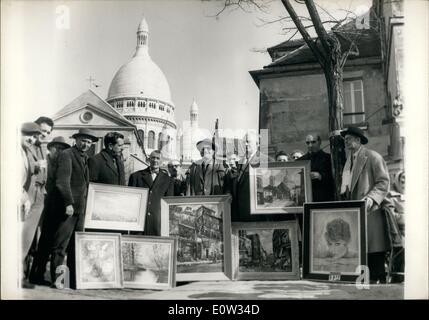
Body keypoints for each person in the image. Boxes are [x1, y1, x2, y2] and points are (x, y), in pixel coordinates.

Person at [340, 126, 390, 283]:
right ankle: (366, 284)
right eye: (345, 139)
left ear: (358, 140)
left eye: (349, 139)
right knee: (362, 249)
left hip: (370, 211)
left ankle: (380, 282)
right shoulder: (349, 161)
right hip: (355, 212)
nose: (346, 142)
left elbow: (383, 182)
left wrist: (371, 198)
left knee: (374, 248)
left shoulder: (372, 157)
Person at [49, 128, 98, 288]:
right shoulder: (67, 154)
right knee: (60, 245)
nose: (86, 144)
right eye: (83, 140)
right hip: (69, 209)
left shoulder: (85, 158)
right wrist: (68, 203)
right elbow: (62, 182)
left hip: (81, 210)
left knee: (75, 245)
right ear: (76, 140)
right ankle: (59, 280)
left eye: (89, 142)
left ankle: (73, 280)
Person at [29, 136, 70, 285]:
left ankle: (55, 278)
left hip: (57, 208)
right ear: (51, 148)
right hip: (42, 206)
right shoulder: (44, 161)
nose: (59, 151)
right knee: (42, 243)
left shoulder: (63, 162)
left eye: (63, 149)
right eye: (57, 148)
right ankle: (35, 275)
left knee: (56, 243)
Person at [128, 150, 174, 236]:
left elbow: (168, 205)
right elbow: (130, 202)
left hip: (157, 223)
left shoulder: (168, 180)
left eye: (158, 158)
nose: (155, 160)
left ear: (162, 161)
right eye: (153, 158)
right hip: (140, 223)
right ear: (149, 159)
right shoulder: (136, 176)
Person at [20, 122, 42, 288]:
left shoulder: (26, 150)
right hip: (22, 196)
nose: (32, 139)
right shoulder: (16, 150)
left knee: (25, 239)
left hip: (28, 197)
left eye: (35, 136)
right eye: (28, 135)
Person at [297, 134, 335, 202]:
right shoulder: (300, 161)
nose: (310, 145)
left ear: (320, 142)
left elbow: (334, 179)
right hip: (305, 199)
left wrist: (320, 176)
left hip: (323, 198)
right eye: (308, 143)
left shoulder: (328, 158)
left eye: (313, 142)